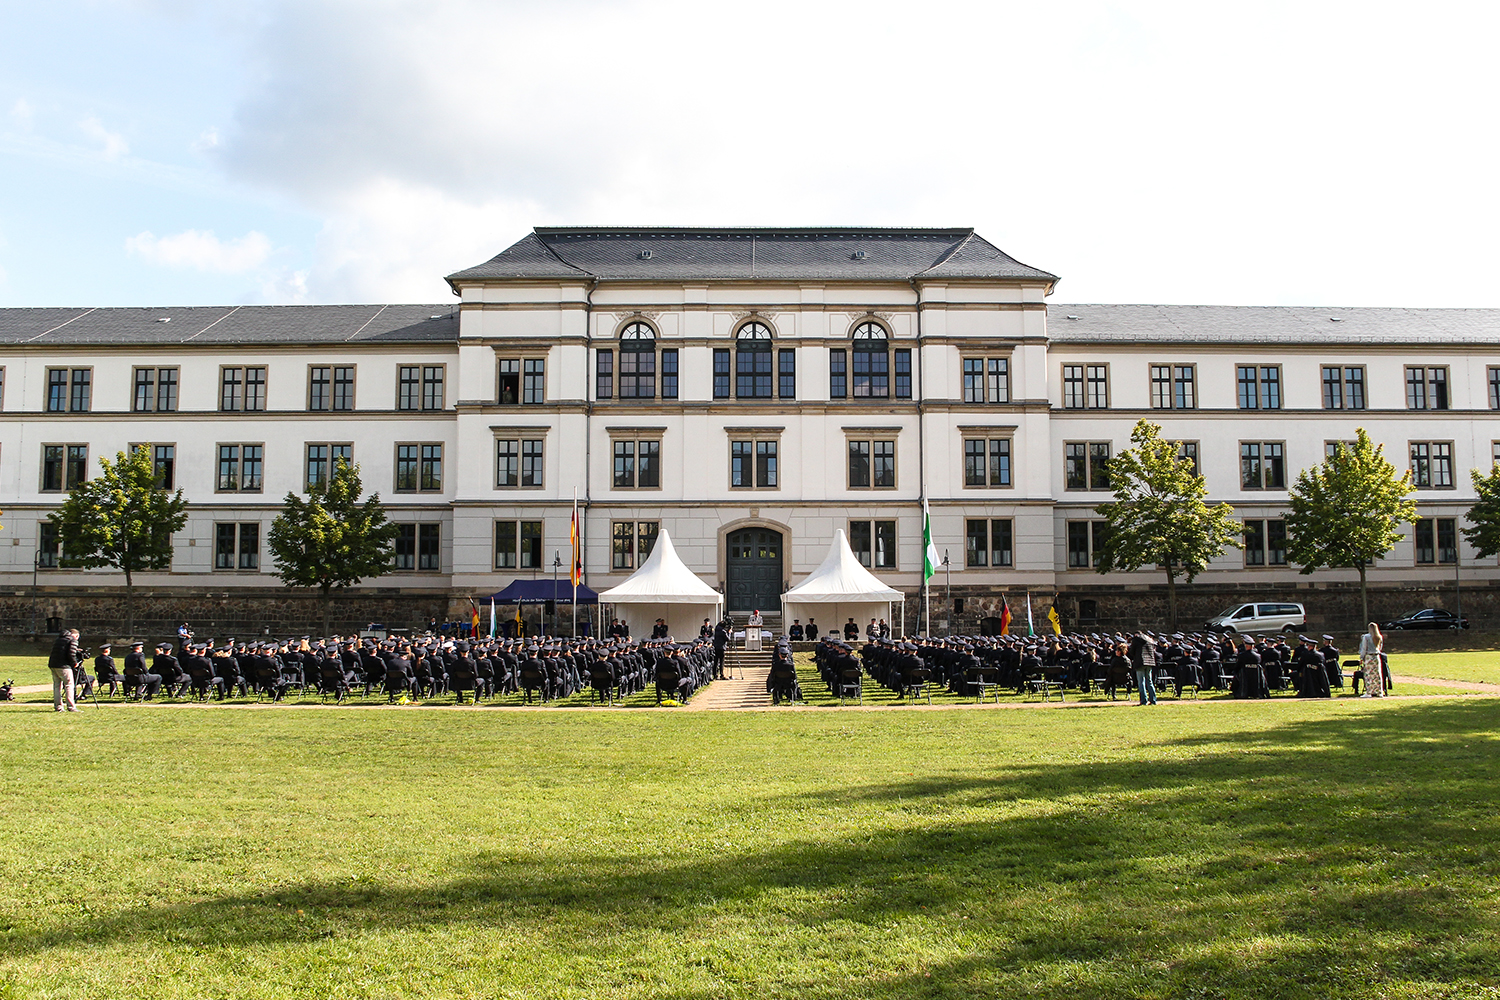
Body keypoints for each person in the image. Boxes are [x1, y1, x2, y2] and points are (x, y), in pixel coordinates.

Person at [48, 627, 82, 712]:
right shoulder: (72, 640)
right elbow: (71, 654)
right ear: (76, 635)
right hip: (64, 666)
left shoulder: (59, 639)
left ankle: (58, 706)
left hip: (53, 664)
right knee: (69, 685)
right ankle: (71, 706)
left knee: (57, 686)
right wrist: (75, 663)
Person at [1127, 631, 1157, 705]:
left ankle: (1144, 701)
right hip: (1150, 662)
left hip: (1140, 662)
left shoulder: (1136, 640)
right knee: (1149, 682)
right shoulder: (1150, 640)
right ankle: (1153, 700)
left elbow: (1131, 652)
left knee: (1141, 682)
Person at [1358, 622, 1385, 697]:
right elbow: (1380, 647)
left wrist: (1361, 657)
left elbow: (1364, 648)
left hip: (1369, 656)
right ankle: (1379, 691)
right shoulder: (1379, 637)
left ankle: (1369, 692)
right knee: (1377, 674)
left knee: (1368, 675)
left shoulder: (1366, 637)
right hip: (1376, 656)